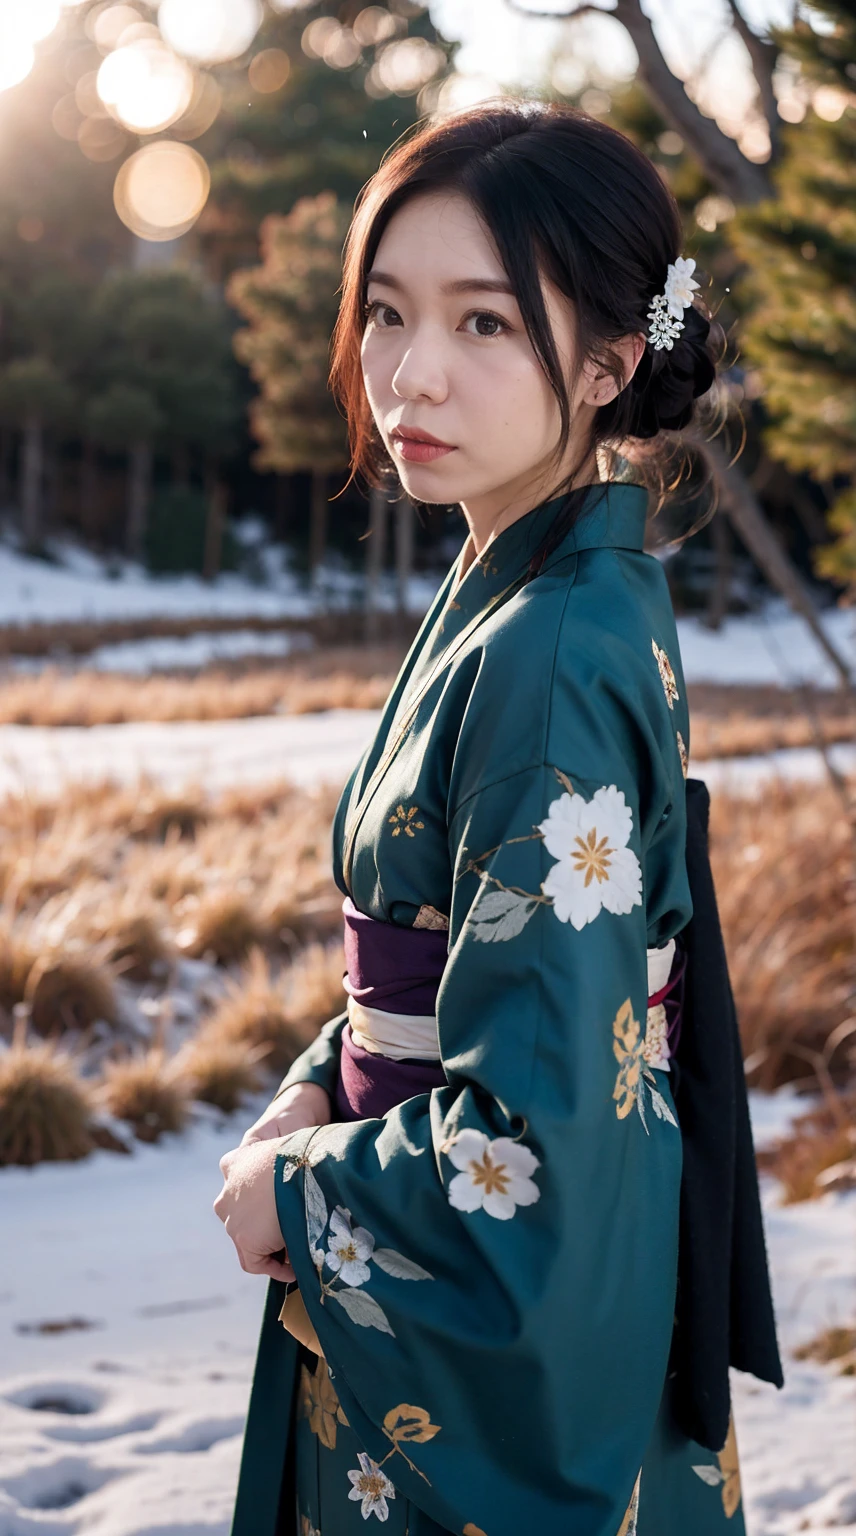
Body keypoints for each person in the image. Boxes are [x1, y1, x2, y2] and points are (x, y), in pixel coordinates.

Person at [214, 102, 782, 1536]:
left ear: (606, 360)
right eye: (389, 313)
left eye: (484, 326)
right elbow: (447, 969)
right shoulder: (553, 593)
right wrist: (319, 1080)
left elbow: (532, 1138)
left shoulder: (545, 655)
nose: (411, 374)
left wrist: (303, 1193)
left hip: (498, 1342)